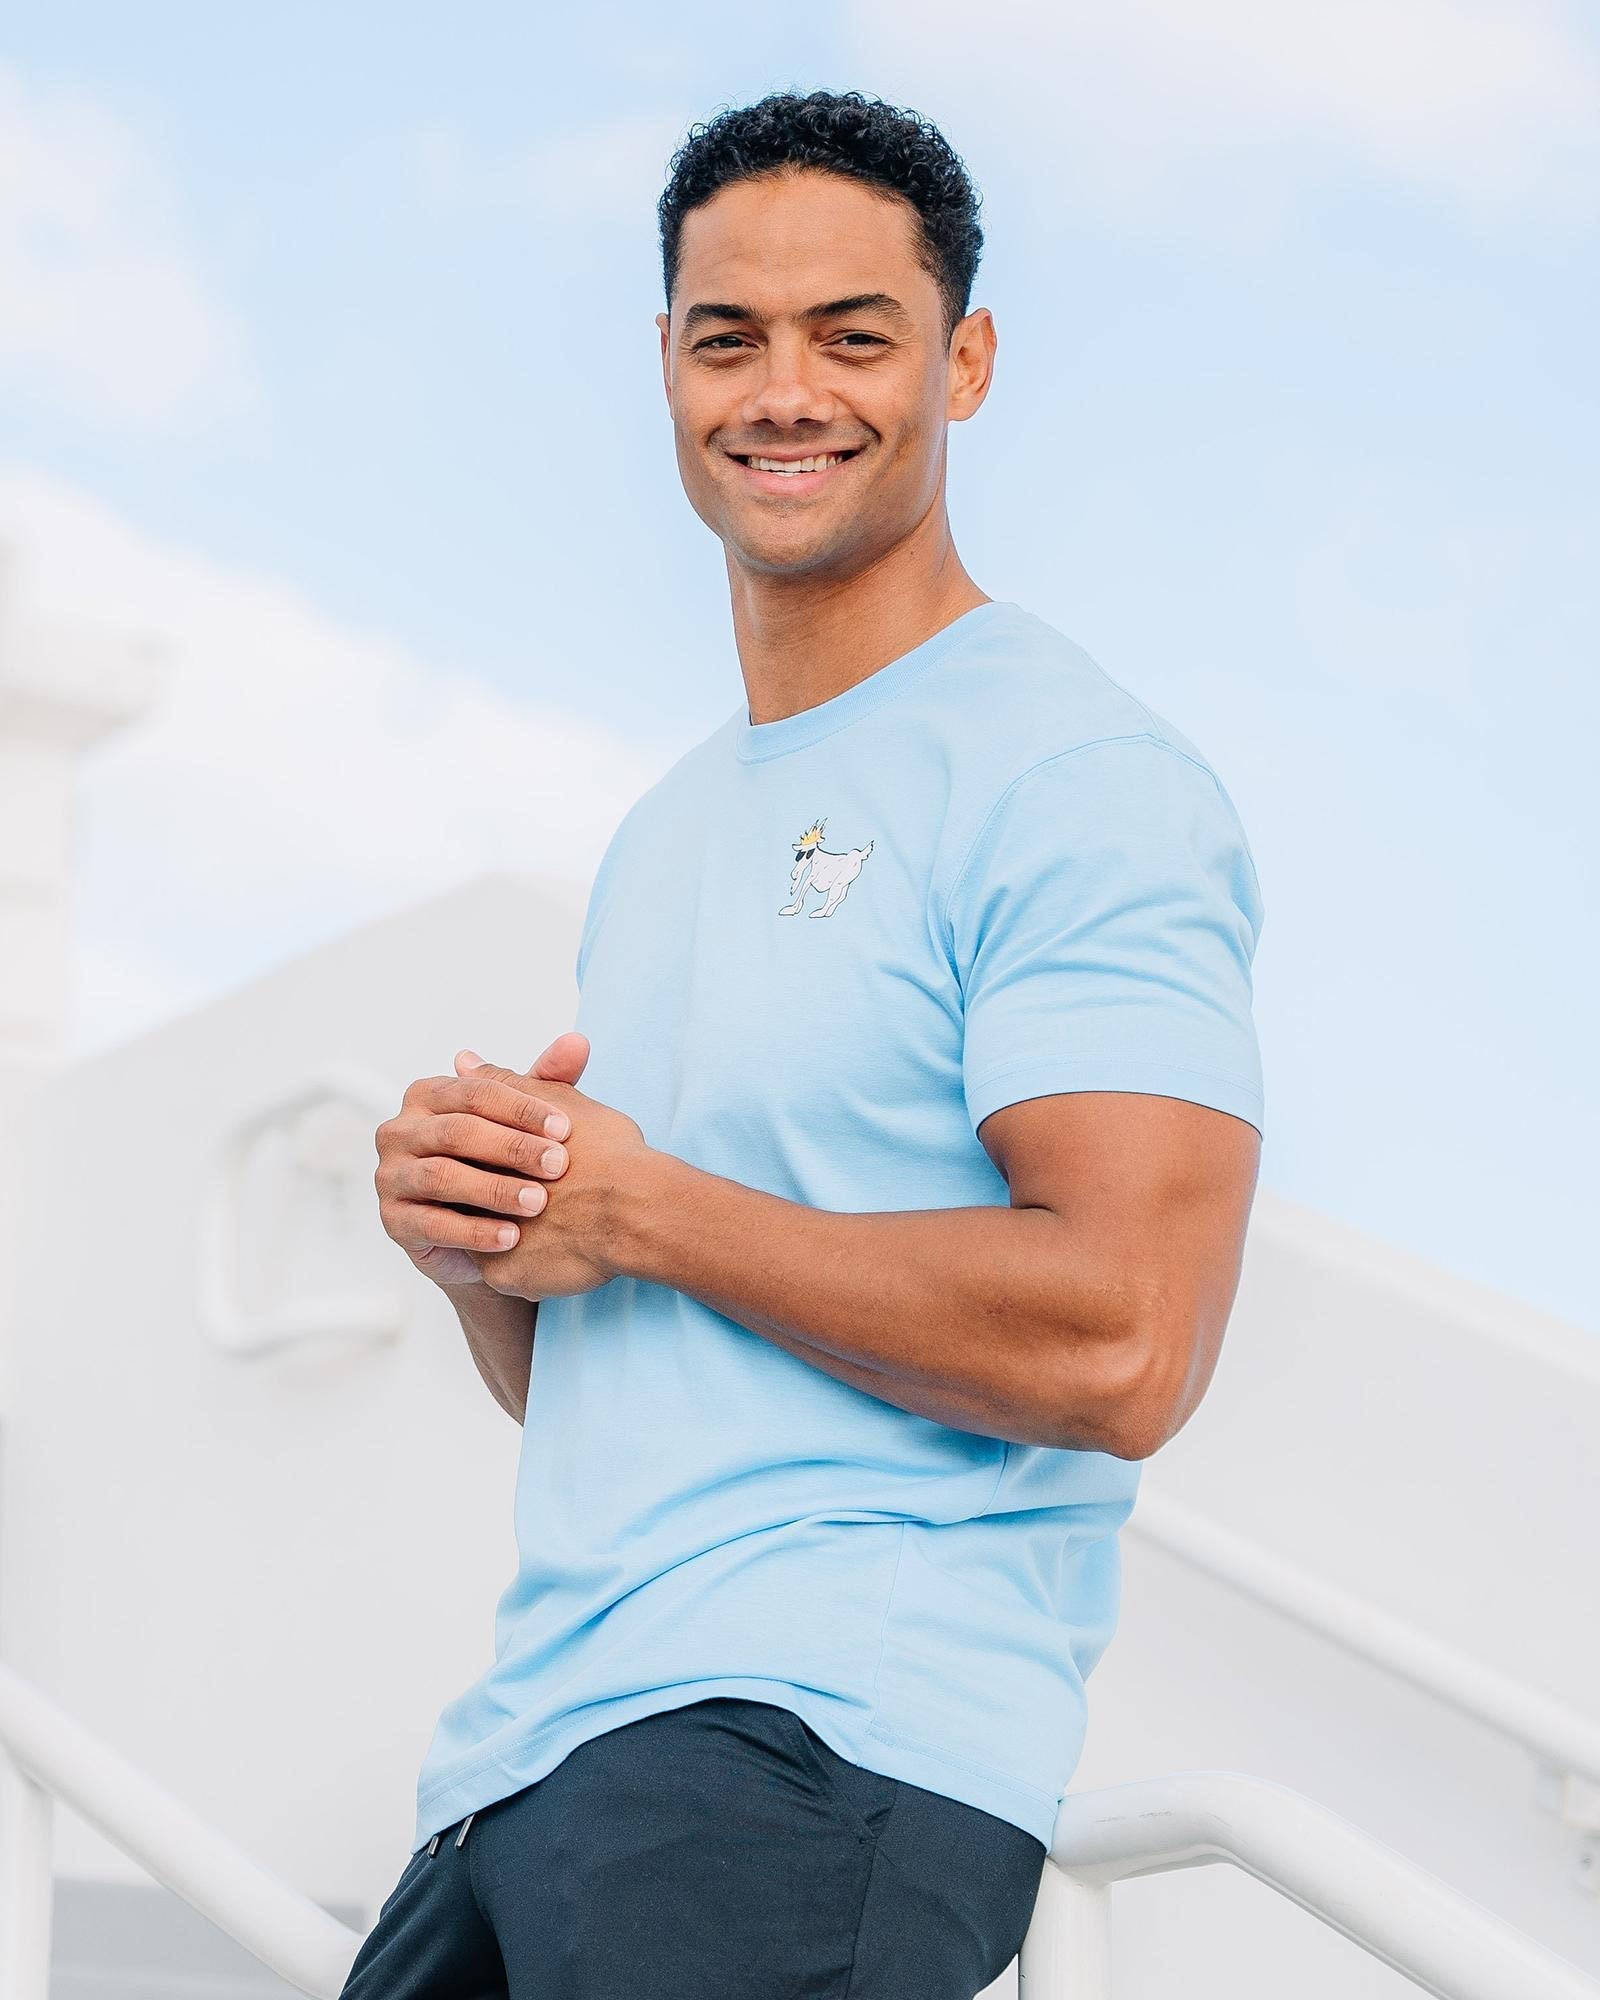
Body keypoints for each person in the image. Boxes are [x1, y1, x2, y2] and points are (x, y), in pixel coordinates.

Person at [359, 87, 1264, 2000]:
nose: (787, 391)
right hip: (527, 1762)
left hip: (811, 1762)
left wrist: (654, 1211)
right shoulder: (670, 830)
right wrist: (494, 1256)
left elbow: (1125, 1336)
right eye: (729, 338)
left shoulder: (1071, 773)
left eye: (855, 335)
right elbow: (655, 1382)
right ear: (668, 369)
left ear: (968, 360)